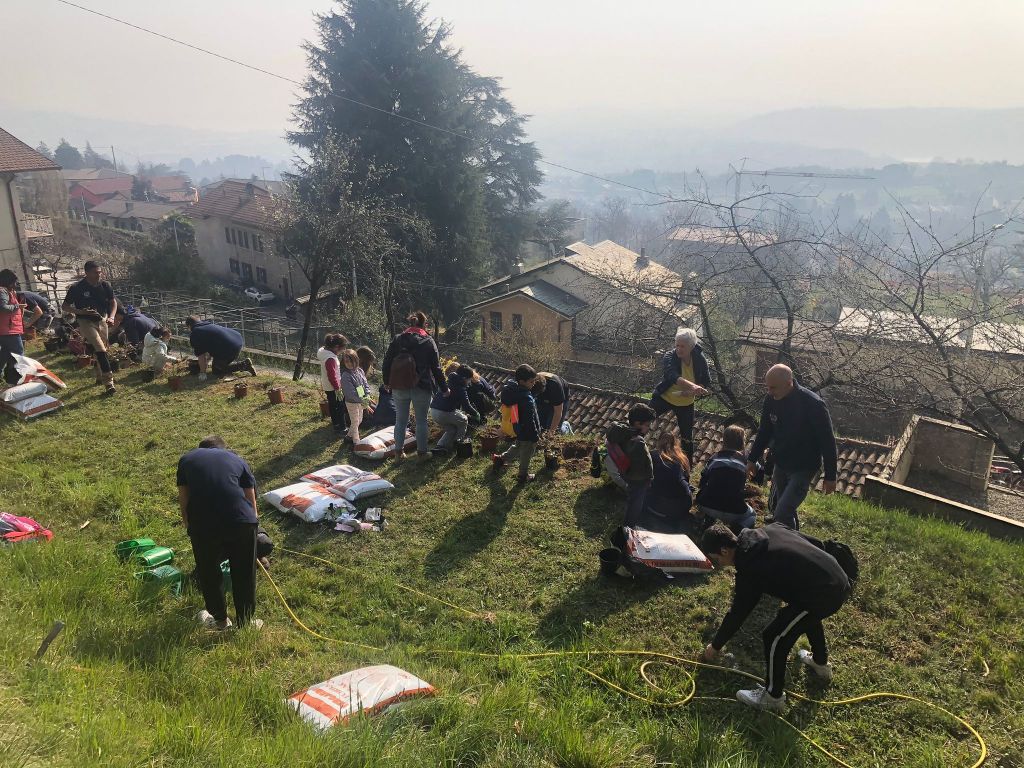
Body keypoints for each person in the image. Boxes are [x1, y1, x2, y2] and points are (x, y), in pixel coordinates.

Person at [700, 523, 851, 712]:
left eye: (716, 559)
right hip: (835, 576)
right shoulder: (770, 529)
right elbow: (814, 543)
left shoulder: (750, 568)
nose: (718, 564)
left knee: (774, 636)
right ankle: (820, 663)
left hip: (825, 594)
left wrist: (715, 646)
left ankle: (773, 697)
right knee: (804, 617)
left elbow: (738, 613)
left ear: (724, 551)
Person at [176, 435, 262, 631]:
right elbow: (251, 501)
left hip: (203, 523)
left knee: (208, 572)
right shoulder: (238, 460)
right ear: (223, 448)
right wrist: (252, 526)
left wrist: (188, 524)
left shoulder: (187, 459)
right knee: (244, 573)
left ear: (201, 449)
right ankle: (245, 623)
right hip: (242, 521)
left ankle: (220, 621)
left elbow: (184, 496)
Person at [747, 364, 837, 530]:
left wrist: (830, 476)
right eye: (767, 387)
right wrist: (752, 459)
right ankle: (793, 539)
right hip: (781, 463)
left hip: (804, 467)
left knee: (782, 512)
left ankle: (788, 541)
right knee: (783, 509)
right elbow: (764, 431)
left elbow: (828, 441)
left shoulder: (813, 404)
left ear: (788, 383)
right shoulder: (771, 400)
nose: (769, 392)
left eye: (773, 387)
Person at [381, 311, 447, 460]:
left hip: (399, 385)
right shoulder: (428, 341)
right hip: (421, 386)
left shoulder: (398, 339)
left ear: (410, 323)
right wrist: (444, 388)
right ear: (425, 324)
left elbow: (387, 362)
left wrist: (387, 382)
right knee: (421, 421)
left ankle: (398, 453)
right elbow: (436, 368)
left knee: (400, 421)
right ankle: (422, 453)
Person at [650, 328, 711, 462]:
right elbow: (671, 375)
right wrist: (692, 386)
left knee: (687, 439)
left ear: (691, 347)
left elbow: (706, 380)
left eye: (682, 346)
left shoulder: (699, 359)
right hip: (664, 398)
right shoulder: (669, 356)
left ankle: (687, 466)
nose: (678, 349)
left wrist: (693, 391)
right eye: (677, 345)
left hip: (686, 403)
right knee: (644, 417)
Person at [61, 260, 118, 394]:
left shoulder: (105, 285)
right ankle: (109, 382)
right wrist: (82, 312)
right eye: (95, 273)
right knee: (100, 348)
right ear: (86, 273)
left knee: (102, 349)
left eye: (100, 272)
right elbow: (65, 306)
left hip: (102, 319)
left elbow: (113, 302)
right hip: (85, 321)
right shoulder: (77, 288)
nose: (98, 275)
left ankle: (99, 375)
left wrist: (111, 317)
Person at [697, 425, 756, 532]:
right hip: (734, 511)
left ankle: (708, 519)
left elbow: (702, 481)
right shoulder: (744, 461)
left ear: (724, 440)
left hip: (706, 505)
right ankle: (738, 529)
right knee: (752, 515)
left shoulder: (715, 457)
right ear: (742, 442)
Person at [606, 403, 657, 526]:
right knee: (635, 504)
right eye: (647, 425)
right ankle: (629, 526)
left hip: (625, 472)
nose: (648, 428)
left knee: (631, 499)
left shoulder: (621, 432)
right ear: (638, 423)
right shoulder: (638, 441)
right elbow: (643, 465)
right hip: (638, 480)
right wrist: (649, 478)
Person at [492, 364, 543, 482]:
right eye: (531, 381)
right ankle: (523, 475)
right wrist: (535, 436)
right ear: (522, 381)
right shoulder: (526, 399)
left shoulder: (514, 392)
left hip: (518, 427)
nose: (534, 384)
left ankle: (500, 459)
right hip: (528, 432)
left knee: (518, 445)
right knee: (527, 453)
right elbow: (530, 420)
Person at [643, 431, 694, 533]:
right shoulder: (683, 459)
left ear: (658, 442)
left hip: (655, 507)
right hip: (680, 508)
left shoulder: (652, 456)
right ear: (675, 443)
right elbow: (686, 482)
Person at [185, 315, 257, 380]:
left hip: (229, 347)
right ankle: (239, 364)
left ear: (189, 326)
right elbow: (209, 348)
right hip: (237, 340)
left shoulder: (196, 333)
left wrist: (202, 373)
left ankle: (244, 365)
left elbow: (201, 356)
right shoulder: (207, 325)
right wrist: (207, 361)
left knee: (217, 370)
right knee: (217, 365)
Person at [430, 364, 481, 455]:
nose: (469, 382)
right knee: (464, 420)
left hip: (433, 411)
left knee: (451, 429)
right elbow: (467, 406)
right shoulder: (461, 388)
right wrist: (476, 414)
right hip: (443, 413)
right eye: (469, 379)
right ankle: (458, 443)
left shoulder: (449, 381)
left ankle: (440, 446)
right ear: (464, 378)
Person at [316, 332, 349, 436]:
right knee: (340, 407)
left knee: (332, 405)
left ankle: (336, 425)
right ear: (336, 347)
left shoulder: (323, 351)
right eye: (342, 349)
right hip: (334, 387)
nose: (343, 351)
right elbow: (332, 376)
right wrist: (337, 388)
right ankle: (342, 428)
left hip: (327, 386)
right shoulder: (330, 359)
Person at [0, 269, 27, 385]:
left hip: (6, 329)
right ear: (8, 281)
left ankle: (7, 377)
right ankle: (17, 378)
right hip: (9, 330)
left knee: (5, 354)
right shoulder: (2, 291)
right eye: (14, 281)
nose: (15, 284)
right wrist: (17, 306)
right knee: (18, 354)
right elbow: (3, 307)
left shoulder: (5, 291)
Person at [340, 348, 370, 444]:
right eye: (347, 362)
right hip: (352, 402)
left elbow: (365, 384)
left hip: (361, 400)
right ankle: (356, 442)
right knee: (355, 421)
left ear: (357, 360)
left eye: (351, 361)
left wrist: (367, 395)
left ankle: (349, 436)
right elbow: (351, 393)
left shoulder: (360, 371)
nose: (349, 364)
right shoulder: (345, 375)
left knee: (359, 420)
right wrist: (362, 400)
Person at [532, 371, 571, 435]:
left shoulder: (554, 386)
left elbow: (558, 413)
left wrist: (551, 433)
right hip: (544, 399)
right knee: (541, 426)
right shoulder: (531, 382)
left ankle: (565, 427)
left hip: (561, 399)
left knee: (553, 429)